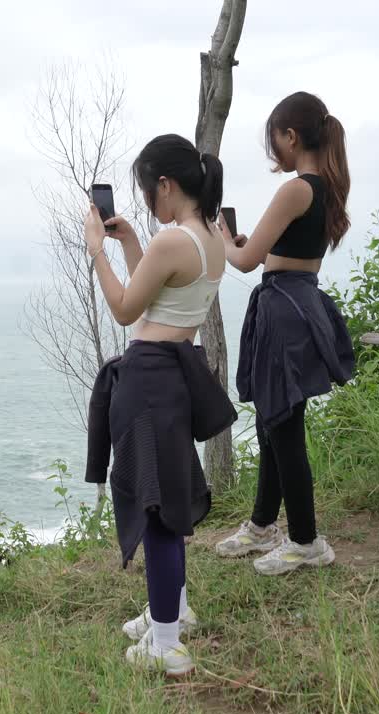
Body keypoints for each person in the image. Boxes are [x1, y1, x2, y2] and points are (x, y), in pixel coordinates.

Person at [82, 134, 237, 676]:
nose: (149, 204)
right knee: (167, 497)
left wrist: (97, 251)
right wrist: (129, 246)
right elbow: (165, 292)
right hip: (174, 370)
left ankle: (167, 645)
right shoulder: (211, 236)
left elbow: (127, 309)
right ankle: (171, 609)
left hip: (149, 377)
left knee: (157, 510)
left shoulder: (174, 241)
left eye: (148, 194)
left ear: (166, 185)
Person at [214, 91, 356, 576]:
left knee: (284, 427)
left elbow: (247, 259)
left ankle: (305, 540)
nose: (275, 152)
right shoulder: (327, 187)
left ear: (291, 136)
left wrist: (220, 239)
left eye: (275, 140)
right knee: (275, 421)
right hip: (301, 299)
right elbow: (267, 248)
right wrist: (242, 241)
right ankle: (261, 526)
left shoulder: (297, 189)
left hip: (283, 306)